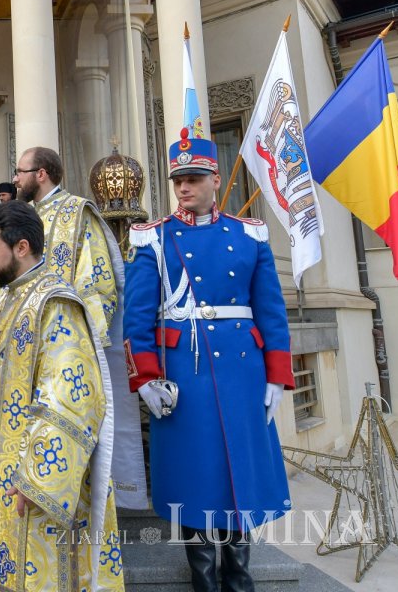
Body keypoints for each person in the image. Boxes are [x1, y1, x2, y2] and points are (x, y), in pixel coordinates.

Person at [124, 128, 294, 592]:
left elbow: (271, 311)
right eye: (178, 180)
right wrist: (145, 378)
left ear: (215, 179)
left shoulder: (249, 234)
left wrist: (277, 375)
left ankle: (238, 576)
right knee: (194, 475)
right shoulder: (153, 239)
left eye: (194, 179)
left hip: (242, 371)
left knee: (240, 471)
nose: (184, 187)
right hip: (185, 374)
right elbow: (136, 317)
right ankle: (203, 578)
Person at [0, 201, 122, 592]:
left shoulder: (56, 303)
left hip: (28, 473)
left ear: (21, 247)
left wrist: (39, 478)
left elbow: (72, 394)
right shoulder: (4, 298)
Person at [15, 146, 148, 508]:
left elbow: (99, 281)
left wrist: (80, 335)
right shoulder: (26, 217)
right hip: (30, 342)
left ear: (41, 174)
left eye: (20, 171)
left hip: (69, 346)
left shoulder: (77, 213)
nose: (15, 178)